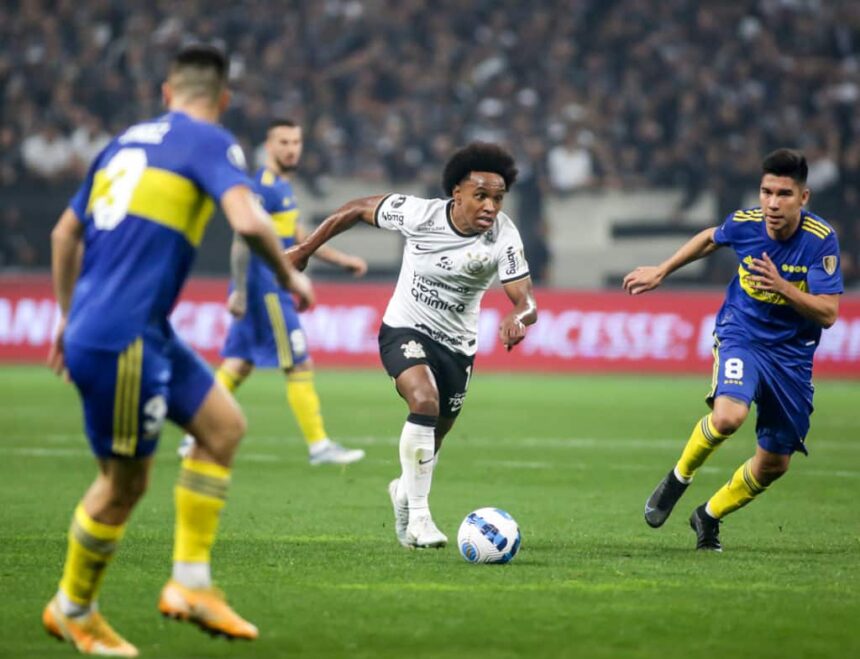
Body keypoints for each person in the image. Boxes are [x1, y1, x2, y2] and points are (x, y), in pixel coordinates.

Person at [44, 44, 313, 656]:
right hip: (122, 334)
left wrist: (65, 317)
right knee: (122, 487)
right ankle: (73, 609)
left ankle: (191, 584)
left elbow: (65, 232)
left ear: (167, 93)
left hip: (133, 326)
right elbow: (247, 220)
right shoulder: (210, 140)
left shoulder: (122, 144)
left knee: (222, 428)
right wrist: (293, 276)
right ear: (222, 100)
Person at [289, 142, 538, 548]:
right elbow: (353, 209)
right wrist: (304, 250)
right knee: (424, 401)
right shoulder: (419, 214)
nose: (491, 207)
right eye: (481, 196)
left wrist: (518, 316)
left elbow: (526, 300)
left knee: (434, 438)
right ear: (457, 193)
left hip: (458, 346)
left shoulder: (504, 236)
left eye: (497, 198)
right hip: (405, 328)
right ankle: (421, 519)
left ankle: (404, 492)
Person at [623, 148, 843, 552]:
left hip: (791, 356)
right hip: (742, 334)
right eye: (766, 192)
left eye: (784, 194)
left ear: (804, 198)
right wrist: (661, 270)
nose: (772, 203)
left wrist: (783, 288)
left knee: (775, 463)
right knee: (727, 418)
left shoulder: (820, 241)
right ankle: (678, 478)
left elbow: (829, 313)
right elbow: (710, 238)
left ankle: (707, 515)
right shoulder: (746, 224)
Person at [179, 119, 368, 465]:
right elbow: (242, 237)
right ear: (269, 146)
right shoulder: (262, 187)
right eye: (283, 142)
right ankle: (319, 446)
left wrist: (342, 260)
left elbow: (299, 236)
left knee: (239, 364)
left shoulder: (282, 186)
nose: (291, 148)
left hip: (265, 284)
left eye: (296, 141)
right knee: (298, 363)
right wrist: (237, 290)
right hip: (265, 286)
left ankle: (193, 431)